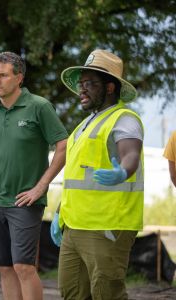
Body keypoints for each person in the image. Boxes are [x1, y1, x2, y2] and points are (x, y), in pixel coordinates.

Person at [0, 51, 69, 300]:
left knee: (24, 266)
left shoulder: (39, 106)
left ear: (19, 78)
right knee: (4, 266)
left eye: (3, 75)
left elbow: (63, 145)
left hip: (25, 200)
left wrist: (41, 186)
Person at [55, 49, 144, 299]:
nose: (81, 89)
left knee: (107, 293)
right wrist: (60, 212)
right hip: (74, 226)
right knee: (72, 292)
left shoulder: (124, 119)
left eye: (90, 84)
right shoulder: (83, 125)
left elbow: (130, 154)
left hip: (107, 226)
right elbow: (77, 175)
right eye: (81, 84)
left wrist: (123, 171)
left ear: (109, 88)